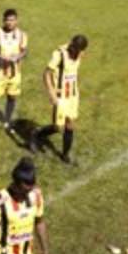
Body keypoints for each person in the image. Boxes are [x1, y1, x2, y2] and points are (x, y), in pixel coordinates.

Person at [33, 34, 88, 162]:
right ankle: (37, 133)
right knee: (57, 127)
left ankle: (65, 155)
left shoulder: (80, 54)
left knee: (70, 125)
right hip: (60, 96)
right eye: (73, 47)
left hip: (73, 95)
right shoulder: (59, 54)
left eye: (77, 49)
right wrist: (52, 93)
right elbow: (46, 74)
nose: (74, 50)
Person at [0, 9, 28, 131]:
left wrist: (18, 57)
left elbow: (24, 51)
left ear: (16, 20)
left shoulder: (22, 35)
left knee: (12, 96)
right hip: (0, 72)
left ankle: (7, 120)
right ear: (3, 20)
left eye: (12, 20)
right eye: (7, 20)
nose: (10, 23)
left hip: (15, 72)